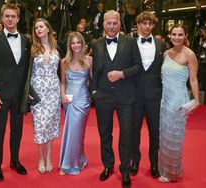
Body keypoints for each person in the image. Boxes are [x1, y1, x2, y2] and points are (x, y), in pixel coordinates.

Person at [91, 10, 141, 187]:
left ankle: (125, 170)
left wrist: (122, 73)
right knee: (105, 134)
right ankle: (108, 165)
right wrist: (94, 92)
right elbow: (94, 71)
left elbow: (138, 67)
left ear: (120, 24)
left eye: (115, 23)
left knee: (126, 134)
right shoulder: (96, 44)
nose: (111, 26)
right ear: (103, 24)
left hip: (125, 97)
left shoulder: (130, 42)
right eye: (108, 23)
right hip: (103, 97)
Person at [0, 3, 31, 182]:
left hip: (19, 95)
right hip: (1, 96)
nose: (10, 19)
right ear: (2, 18)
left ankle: (15, 160)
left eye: (13, 16)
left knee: (17, 131)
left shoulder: (26, 40)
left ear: (18, 18)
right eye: (7, 16)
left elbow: (27, 68)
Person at [158, 24, 200, 183]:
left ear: (185, 36)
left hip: (178, 100)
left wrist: (197, 100)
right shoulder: (166, 54)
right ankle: (165, 168)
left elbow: (193, 79)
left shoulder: (190, 55)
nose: (176, 37)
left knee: (173, 137)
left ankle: (172, 173)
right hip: (165, 99)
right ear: (170, 35)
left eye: (180, 34)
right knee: (164, 135)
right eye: (174, 34)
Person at [21, 18, 61, 174]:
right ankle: (40, 158)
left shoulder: (57, 48)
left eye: (41, 26)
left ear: (48, 29)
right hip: (37, 93)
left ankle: (49, 157)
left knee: (50, 125)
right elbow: (27, 74)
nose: (38, 29)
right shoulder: (32, 49)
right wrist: (28, 92)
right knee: (39, 126)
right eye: (36, 27)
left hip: (53, 93)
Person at [130, 11, 166, 179]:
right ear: (138, 25)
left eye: (150, 24)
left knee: (155, 131)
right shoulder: (129, 44)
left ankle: (154, 163)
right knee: (133, 131)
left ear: (153, 25)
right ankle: (134, 161)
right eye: (143, 23)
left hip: (154, 95)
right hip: (134, 95)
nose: (146, 26)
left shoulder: (161, 45)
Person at [59, 32, 92, 175]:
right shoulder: (64, 62)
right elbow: (62, 82)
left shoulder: (89, 60)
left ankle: (71, 163)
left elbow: (91, 81)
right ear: (69, 45)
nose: (76, 45)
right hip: (69, 100)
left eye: (78, 42)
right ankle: (75, 161)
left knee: (77, 132)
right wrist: (62, 96)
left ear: (83, 44)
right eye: (73, 43)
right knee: (72, 131)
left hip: (83, 100)